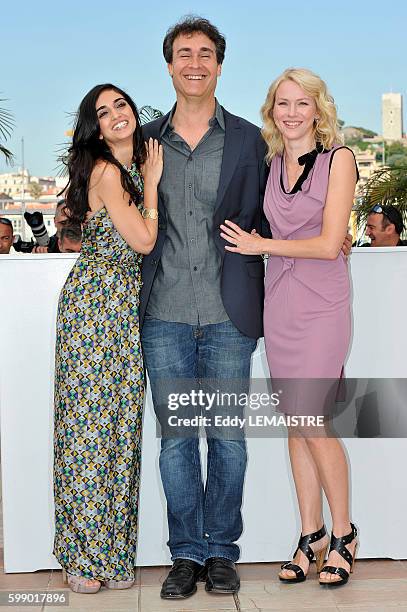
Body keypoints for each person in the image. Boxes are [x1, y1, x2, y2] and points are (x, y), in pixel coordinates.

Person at [140, 16, 268, 599]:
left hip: (227, 313)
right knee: (175, 442)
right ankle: (184, 555)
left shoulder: (246, 139)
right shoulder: (145, 140)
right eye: (184, 53)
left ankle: (222, 550)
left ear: (219, 64)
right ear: (169, 64)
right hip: (164, 312)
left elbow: (271, 212)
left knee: (229, 441)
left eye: (206, 53)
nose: (195, 62)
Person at [221, 68, 358, 587]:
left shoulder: (338, 159)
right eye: (284, 103)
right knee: (295, 425)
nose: (293, 112)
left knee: (314, 421)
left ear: (318, 109)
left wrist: (263, 245)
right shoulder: (272, 161)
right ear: (272, 110)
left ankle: (344, 536)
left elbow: (327, 244)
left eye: (303, 103)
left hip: (322, 304)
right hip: (280, 302)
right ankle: (311, 536)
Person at [53, 83, 162, 594]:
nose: (116, 115)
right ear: (94, 126)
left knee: (120, 430)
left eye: (122, 105)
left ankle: (114, 555)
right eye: (104, 111)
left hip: (123, 309)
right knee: (86, 435)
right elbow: (142, 240)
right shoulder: (106, 172)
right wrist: (155, 187)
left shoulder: (136, 165)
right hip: (93, 307)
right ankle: (81, 556)